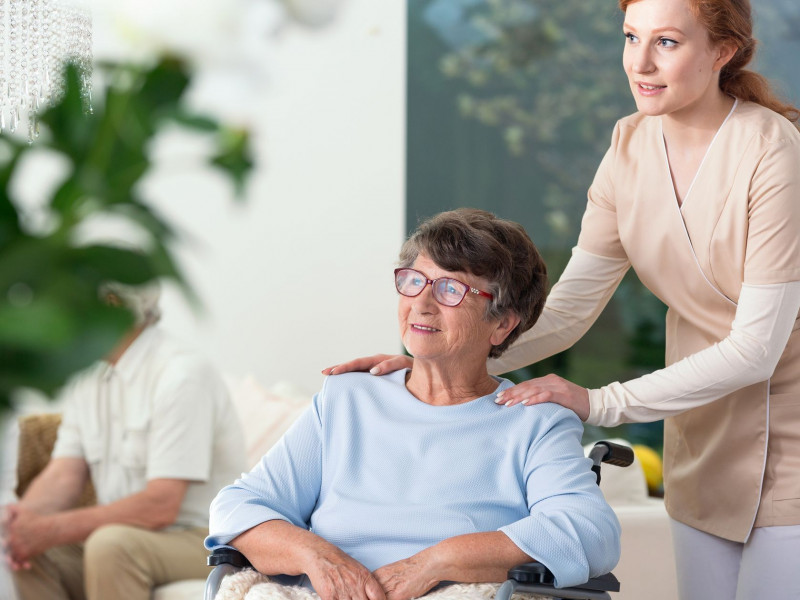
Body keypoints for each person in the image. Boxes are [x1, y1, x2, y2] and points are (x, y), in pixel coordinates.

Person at [322, 1, 800, 599]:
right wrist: (442, 366)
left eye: (668, 43)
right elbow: (572, 307)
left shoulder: (773, 151)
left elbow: (756, 349)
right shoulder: (629, 146)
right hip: (700, 423)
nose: (641, 63)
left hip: (788, 421)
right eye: (631, 38)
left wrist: (600, 402)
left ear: (722, 52)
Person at [206, 209, 621, 600]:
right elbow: (238, 506)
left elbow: (589, 531)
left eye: (450, 289)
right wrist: (320, 558)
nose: (422, 303)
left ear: (502, 323)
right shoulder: (347, 398)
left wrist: (437, 562)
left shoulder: (535, 421)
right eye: (414, 280)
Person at [1, 283, 247, 600]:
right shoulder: (86, 376)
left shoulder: (181, 373)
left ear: (114, 306)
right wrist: (18, 526)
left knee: (111, 544)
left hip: (204, 538)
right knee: (21, 555)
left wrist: (49, 529)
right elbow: (64, 474)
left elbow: (161, 505)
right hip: (132, 535)